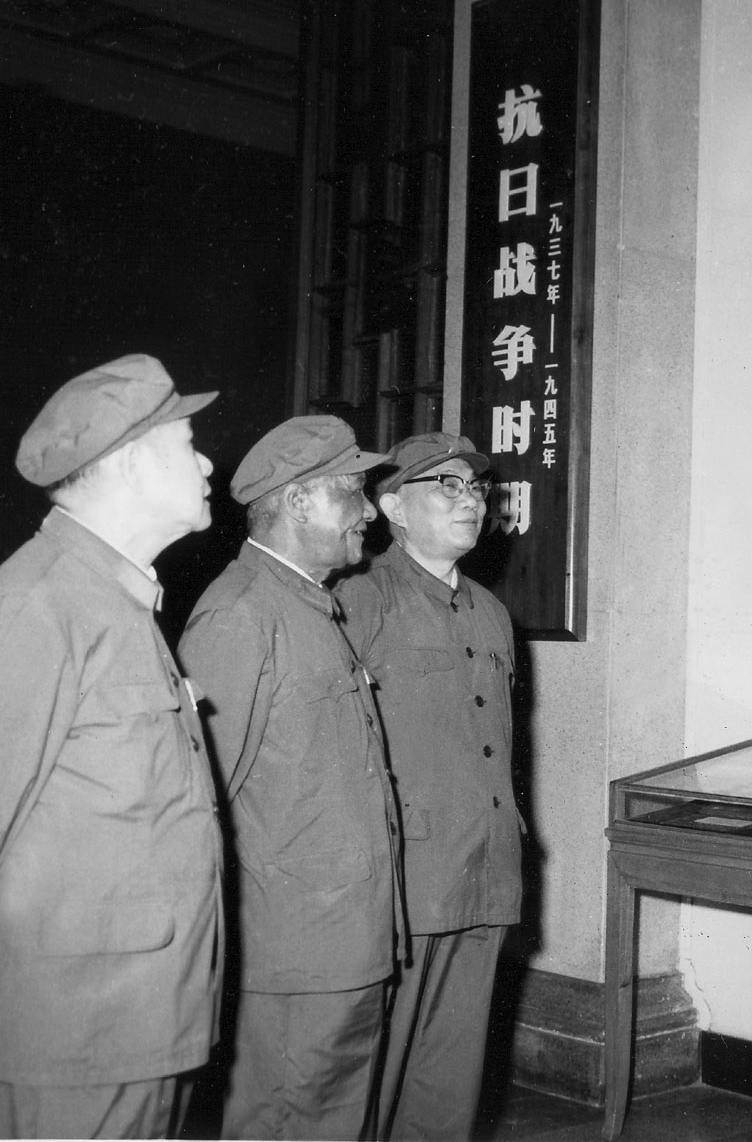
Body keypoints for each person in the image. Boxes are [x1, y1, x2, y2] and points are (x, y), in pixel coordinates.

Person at [0, 354, 224, 1138]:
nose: (206, 464)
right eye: (188, 444)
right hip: (72, 1040)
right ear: (129, 462)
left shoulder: (117, 601)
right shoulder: (36, 604)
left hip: (141, 1019)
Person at [178, 414, 402, 1141]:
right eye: (353, 492)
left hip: (343, 937)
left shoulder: (305, 604)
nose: (370, 511)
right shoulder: (241, 613)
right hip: (293, 949)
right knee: (288, 1120)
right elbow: (201, 803)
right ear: (300, 501)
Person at [335, 431, 523, 1142]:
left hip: (484, 867)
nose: (469, 499)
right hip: (406, 878)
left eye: (475, 487)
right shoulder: (359, 598)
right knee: (376, 1076)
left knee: (450, 1080)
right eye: (446, 485)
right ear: (392, 507)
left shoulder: (490, 611)